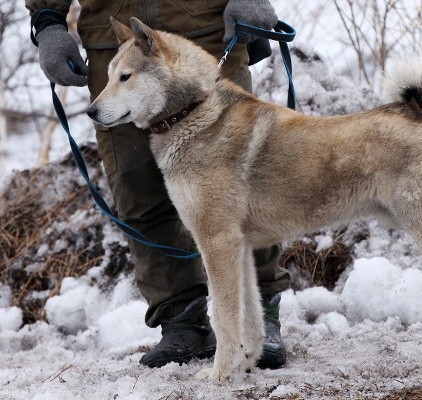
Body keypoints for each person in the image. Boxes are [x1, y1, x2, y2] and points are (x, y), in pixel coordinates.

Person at [25, 0, 290, 369]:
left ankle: (259, 316)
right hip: (112, 40)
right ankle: (181, 318)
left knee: (242, 186)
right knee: (138, 191)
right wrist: (48, 21)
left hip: (203, 30)